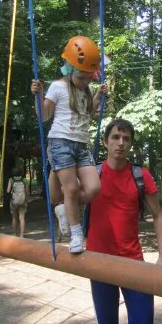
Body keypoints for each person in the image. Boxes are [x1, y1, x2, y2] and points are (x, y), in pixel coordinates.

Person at [86, 119, 162, 324]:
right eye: (116, 137)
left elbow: (158, 215)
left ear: (131, 143)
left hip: (134, 262)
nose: (121, 143)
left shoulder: (140, 175)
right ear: (107, 141)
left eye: (127, 138)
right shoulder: (92, 173)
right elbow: (63, 195)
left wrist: (161, 257)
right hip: (99, 262)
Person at [30, 35, 108, 254]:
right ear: (70, 69)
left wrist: (99, 98)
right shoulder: (57, 87)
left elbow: (88, 115)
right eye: (82, 78)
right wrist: (39, 95)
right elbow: (44, 116)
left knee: (93, 188)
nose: (86, 82)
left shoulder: (86, 90)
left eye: (88, 79)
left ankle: (66, 209)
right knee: (71, 189)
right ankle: (76, 234)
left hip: (81, 145)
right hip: (61, 142)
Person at [6, 167, 29, 236]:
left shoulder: (11, 179)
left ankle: (15, 233)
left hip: (14, 201)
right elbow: (27, 192)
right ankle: (22, 234)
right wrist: (27, 199)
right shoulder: (24, 180)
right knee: (22, 218)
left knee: (14, 217)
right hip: (22, 201)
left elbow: (8, 191)